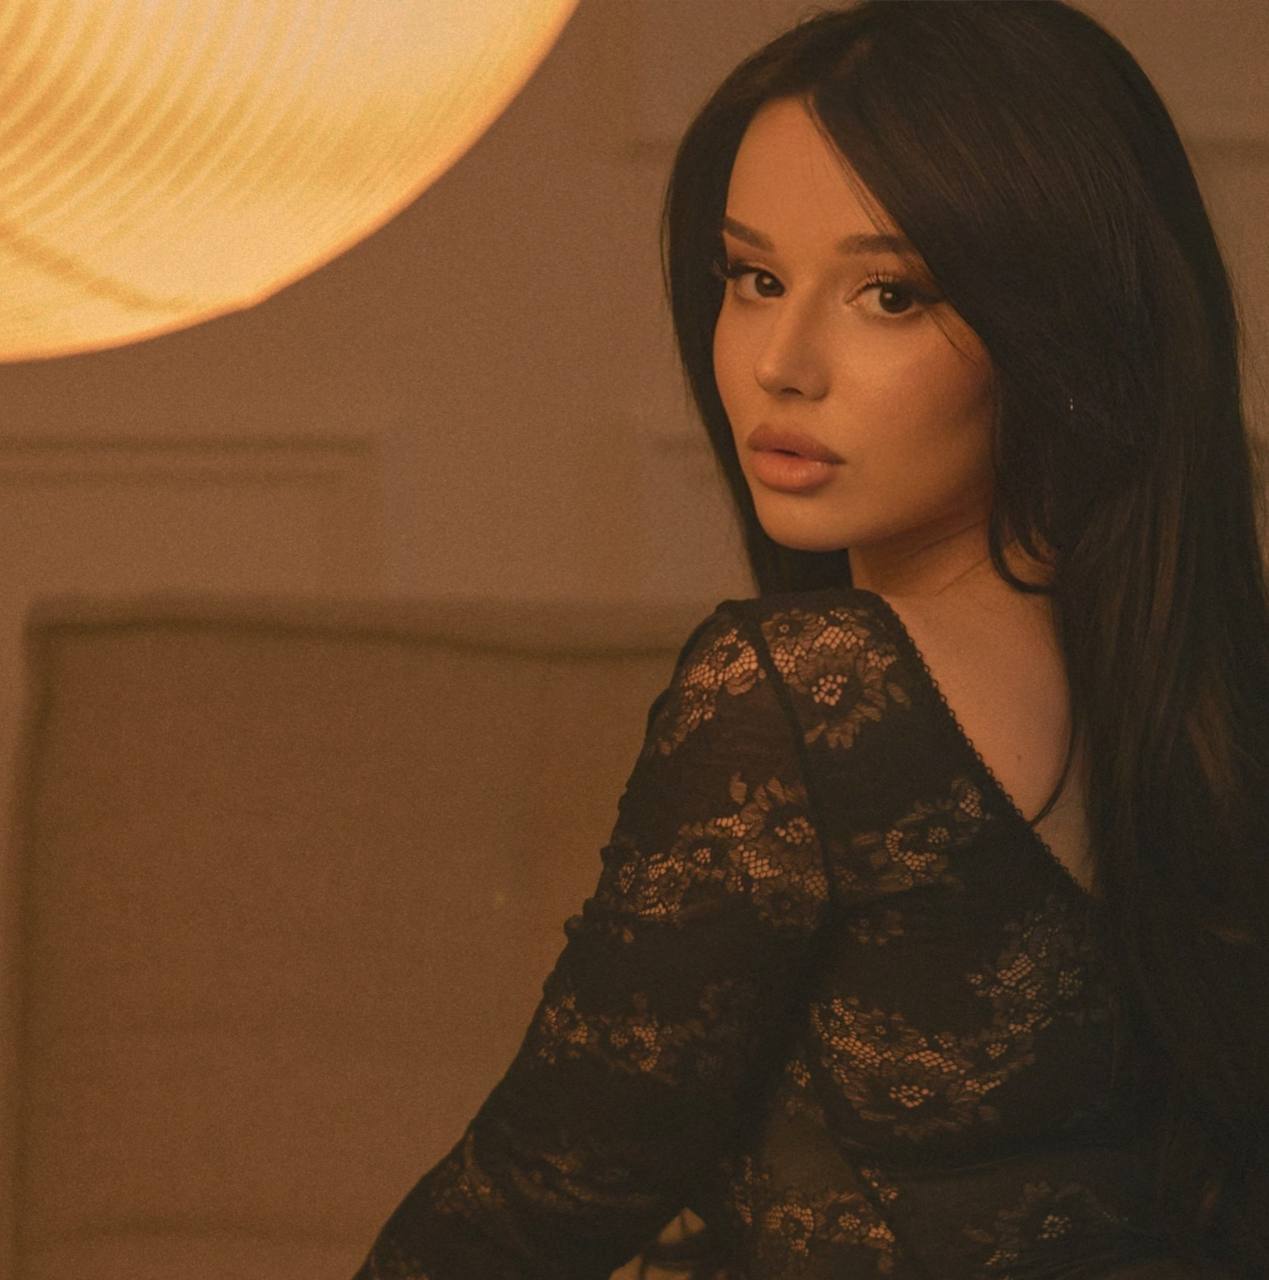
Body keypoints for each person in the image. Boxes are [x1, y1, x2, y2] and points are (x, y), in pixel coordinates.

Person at [350, 2, 1269, 1276]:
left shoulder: (803, 692)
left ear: (1058, 325)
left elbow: (536, 1203)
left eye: (890, 294)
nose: (782, 362)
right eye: (755, 278)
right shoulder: (1198, 678)